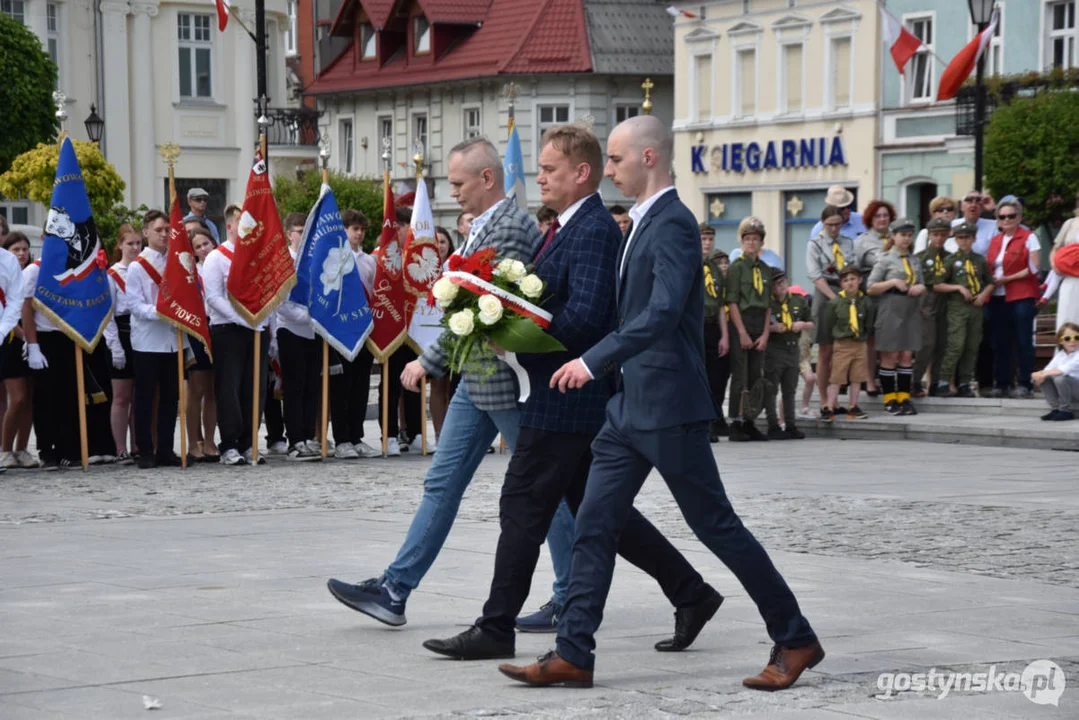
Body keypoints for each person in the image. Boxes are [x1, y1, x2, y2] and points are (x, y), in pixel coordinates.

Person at [498, 115, 822, 692]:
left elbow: (663, 312)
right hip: (628, 409)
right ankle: (574, 652)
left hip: (669, 406)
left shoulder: (671, 222)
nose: (610, 169)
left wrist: (593, 358)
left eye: (617, 160)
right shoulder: (639, 224)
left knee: (717, 526)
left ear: (649, 158)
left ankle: (794, 636)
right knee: (594, 525)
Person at [421, 122, 721, 661]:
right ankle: (691, 592)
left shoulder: (594, 231)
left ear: (582, 174)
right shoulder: (563, 227)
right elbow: (554, 300)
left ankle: (495, 627)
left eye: (550, 170)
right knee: (597, 512)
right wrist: (502, 317)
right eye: (538, 169)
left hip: (568, 396)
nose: (539, 178)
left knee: (521, 506)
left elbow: (587, 316)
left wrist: (515, 337)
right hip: (560, 390)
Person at [326, 137, 574, 628]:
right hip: (478, 379)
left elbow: (490, 309)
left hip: (506, 381)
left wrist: (428, 361)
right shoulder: (484, 225)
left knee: (548, 489)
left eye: (459, 183)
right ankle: (395, 589)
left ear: (487, 179)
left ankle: (572, 594)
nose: (453, 192)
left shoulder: (512, 228)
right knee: (442, 484)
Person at [202, 203, 271, 466]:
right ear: (230, 226)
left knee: (255, 388)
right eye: (241, 222)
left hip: (257, 330)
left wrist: (264, 324)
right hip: (228, 331)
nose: (247, 228)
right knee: (229, 388)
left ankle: (249, 443)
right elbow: (213, 297)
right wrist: (243, 319)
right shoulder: (217, 258)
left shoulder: (257, 258)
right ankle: (229, 444)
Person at [127, 209, 185, 469]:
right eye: (159, 230)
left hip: (173, 341)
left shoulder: (178, 262)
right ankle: (144, 450)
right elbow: (136, 306)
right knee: (145, 398)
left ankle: (165, 449)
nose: (164, 234)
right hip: (148, 341)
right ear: (146, 232)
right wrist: (164, 312)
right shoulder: (137, 267)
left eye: (167, 230)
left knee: (171, 399)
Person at [328, 209, 380, 460]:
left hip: (362, 329)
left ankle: (357, 436)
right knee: (342, 386)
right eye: (354, 229)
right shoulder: (335, 258)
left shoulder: (369, 261)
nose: (358, 234)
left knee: (360, 385)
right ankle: (341, 439)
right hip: (341, 329)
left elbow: (371, 294)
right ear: (344, 230)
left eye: (362, 229)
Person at [867, 217, 927, 416]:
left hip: (910, 307)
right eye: (902, 235)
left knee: (907, 355)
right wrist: (892, 282)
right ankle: (889, 398)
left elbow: (922, 282)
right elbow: (871, 287)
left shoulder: (914, 259)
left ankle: (904, 397)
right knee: (890, 355)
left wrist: (920, 287)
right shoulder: (885, 259)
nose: (906, 239)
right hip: (891, 307)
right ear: (893, 236)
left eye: (909, 235)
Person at [275, 211, 321, 461]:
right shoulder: (285, 261)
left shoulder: (314, 260)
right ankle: (294, 440)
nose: (303, 236)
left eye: (307, 231)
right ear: (289, 234)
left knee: (311, 387)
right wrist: (310, 318)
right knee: (294, 387)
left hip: (313, 331)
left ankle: (308, 435)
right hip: (291, 329)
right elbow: (282, 303)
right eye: (300, 231)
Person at [376, 207, 422, 455]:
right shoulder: (380, 257)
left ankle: (416, 432)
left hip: (413, 329)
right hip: (390, 329)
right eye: (406, 228)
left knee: (414, 382)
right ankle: (389, 434)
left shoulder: (414, 258)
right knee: (391, 384)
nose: (409, 233)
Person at [985, 199, 1041, 398]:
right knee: (1000, 340)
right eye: (1002, 216)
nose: (1006, 219)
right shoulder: (995, 240)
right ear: (997, 220)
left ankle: (1025, 383)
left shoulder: (1029, 237)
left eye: (1011, 216)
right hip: (998, 295)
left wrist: (1008, 278)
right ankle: (1002, 383)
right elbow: (989, 265)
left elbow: (1034, 267)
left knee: (1023, 339)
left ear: (1019, 218)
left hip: (1022, 294)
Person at [934, 222, 995, 398]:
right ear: (955, 240)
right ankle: (944, 382)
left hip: (975, 307)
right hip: (957, 307)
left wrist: (984, 295)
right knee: (956, 344)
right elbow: (937, 285)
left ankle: (965, 383)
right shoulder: (951, 261)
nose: (963, 241)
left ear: (973, 239)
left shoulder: (979, 260)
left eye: (967, 237)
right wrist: (958, 288)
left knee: (972, 345)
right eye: (960, 238)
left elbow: (990, 281)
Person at [807, 205, 855, 419]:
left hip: (846, 293)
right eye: (829, 225)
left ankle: (835, 399)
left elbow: (852, 268)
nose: (834, 229)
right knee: (825, 351)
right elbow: (816, 276)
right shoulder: (815, 244)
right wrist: (836, 299)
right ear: (823, 224)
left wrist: (848, 296)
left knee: (841, 351)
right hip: (826, 296)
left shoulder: (848, 242)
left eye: (837, 224)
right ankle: (824, 399)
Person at [726, 217, 771, 442]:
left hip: (758, 323)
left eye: (755, 239)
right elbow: (732, 302)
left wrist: (765, 334)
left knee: (756, 375)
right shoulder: (736, 267)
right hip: (741, 322)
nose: (751, 243)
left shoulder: (765, 269)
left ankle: (751, 419)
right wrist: (742, 332)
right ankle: (736, 420)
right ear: (742, 241)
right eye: (747, 239)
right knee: (740, 374)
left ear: (761, 242)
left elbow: (768, 305)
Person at [103, 225, 143, 463]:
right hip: (120, 332)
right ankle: (120, 447)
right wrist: (115, 345)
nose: (135, 248)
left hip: (142, 333)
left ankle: (137, 444)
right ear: (119, 246)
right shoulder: (112, 274)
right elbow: (107, 314)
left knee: (140, 394)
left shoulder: (143, 271)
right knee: (121, 396)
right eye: (130, 243)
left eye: (138, 243)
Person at [0, 233, 37, 469]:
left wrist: (33, 342)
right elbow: (10, 309)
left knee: (30, 399)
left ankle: (22, 448)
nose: (22, 253)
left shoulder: (30, 271)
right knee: (18, 397)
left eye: (25, 249)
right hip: (11, 338)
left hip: (31, 341)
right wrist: (23, 336)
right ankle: (5, 450)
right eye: (16, 249)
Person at [854, 200, 897, 397]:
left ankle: (888, 378)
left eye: (885, 215)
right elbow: (854, 271)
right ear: (870, 219)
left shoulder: (897, 237)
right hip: (872, 297)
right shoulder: (862, 241)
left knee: (891, 341)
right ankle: (870, 381)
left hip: (895, 297)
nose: (882, 219)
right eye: (877, 216)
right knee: (871, 341)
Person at [764, 268, 812, 437]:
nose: (781, 286)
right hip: (774, 348)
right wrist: (773, 328)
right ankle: (773, 425)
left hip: (793, 347)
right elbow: (759, 328)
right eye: (776, 284)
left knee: (790, 389)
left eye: (783, 281)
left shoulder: (798, 301)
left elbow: (811, 322)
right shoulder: (767, 304)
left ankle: (791, 424)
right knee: (771, 389)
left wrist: (803, 325)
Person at [822, 265, 873, 421]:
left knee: (857, 376)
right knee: (837, 376)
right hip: (842, 343)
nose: (850, 283)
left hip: (859, 343)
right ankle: (829, 407)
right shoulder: (835, 302)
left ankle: (853, 406)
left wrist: (863, 336)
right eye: (845, 280)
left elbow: (869, 323)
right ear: (841, 284)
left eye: (853, 279)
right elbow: (830, 323)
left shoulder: (866, 301)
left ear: (860, 280)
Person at [186, 226, 218, 461]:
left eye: (205, 243)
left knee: (213, 390)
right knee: (196, 389)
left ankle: (209, 441)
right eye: (197, 247)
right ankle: (193, 442)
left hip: (219, 327)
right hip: (197, 328)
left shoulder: (223, 263)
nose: (203, 249)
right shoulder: (191, 272)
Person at [913, 218, 953, 397]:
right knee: (926, 344)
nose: (939, 238)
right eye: (935, 234)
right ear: (929, 235)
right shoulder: (921, 257)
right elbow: (927, 283)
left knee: (942, 344)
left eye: (943, 234)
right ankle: (915, 381)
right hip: (926, 303)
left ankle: (935, 383)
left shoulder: (950, 257)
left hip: (945, 303)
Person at [427, 226, 459, 440]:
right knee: (438, 384)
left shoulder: (456, 266)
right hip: (431, 332)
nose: (439, 246)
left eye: (443, 242)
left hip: (457, 332)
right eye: (435, 242)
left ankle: (457, 435)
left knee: (455, 386)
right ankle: (440, 435)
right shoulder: (423, 270)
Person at [700, 225, 730, 440]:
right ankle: (702, 423)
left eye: (710, 239)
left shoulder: (715, 269)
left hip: (714, 326)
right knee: (699, 376)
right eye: (703, 239)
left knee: (717, 376)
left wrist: (725, 335)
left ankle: (714, 418)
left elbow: (721, 304)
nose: (707, 243)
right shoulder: (689, 265)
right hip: (695, 326)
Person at [1033, 323, 1079, 421]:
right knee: (1046, 378)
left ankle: (1066, 411)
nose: (1073, 341)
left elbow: (1063, 370)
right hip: (1069, 390)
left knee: (1060, 377)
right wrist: (1040, 375)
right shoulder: (1060, 355)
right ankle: (1056, 409)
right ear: (1061, 341)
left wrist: (1040, 374)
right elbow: (1047, 370)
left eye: (1076, 337)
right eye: (1067, 338)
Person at [1050, 191, 1079, 331]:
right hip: (1070, 279)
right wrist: (1055, 265)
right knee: (1067, 320)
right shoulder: (1070, 223)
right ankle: (1065, 352)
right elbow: (1055, 248)